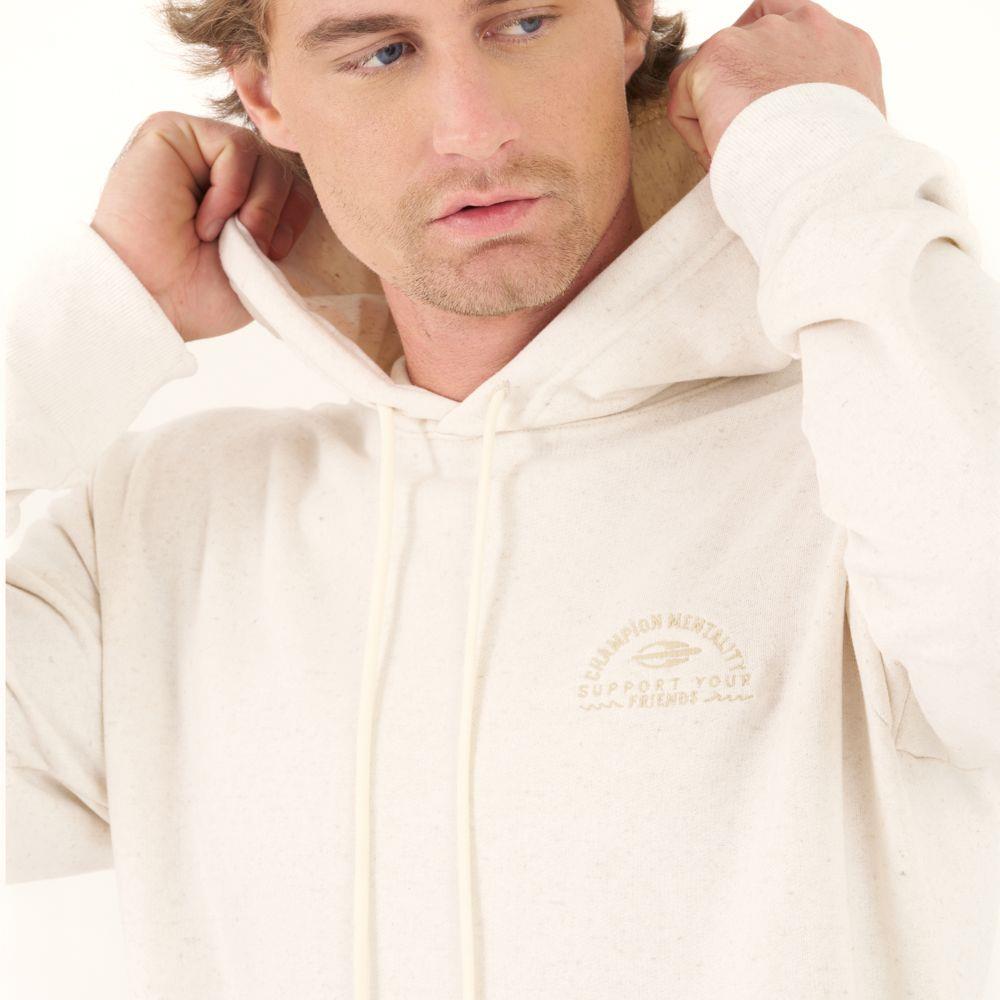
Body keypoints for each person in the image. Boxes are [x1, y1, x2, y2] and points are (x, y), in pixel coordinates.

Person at [6, 0, 999, 997]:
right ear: (264, 93)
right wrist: (90, 310)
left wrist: (818, 160)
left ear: (629, 21)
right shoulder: (167, 527)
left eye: (523, 24)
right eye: (381, 53)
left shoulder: (872, 454)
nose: (474, 130)